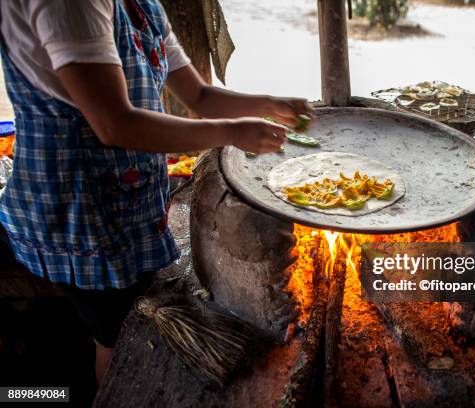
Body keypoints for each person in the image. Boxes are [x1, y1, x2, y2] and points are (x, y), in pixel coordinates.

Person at [0, 0, 313, 384]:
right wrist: (234, 132)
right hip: (77, 211)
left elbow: (199, 96)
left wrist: (270, 104)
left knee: (126, 315)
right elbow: (114, 125)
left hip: (126, 199)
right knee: (115, 340)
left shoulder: (142, 7)